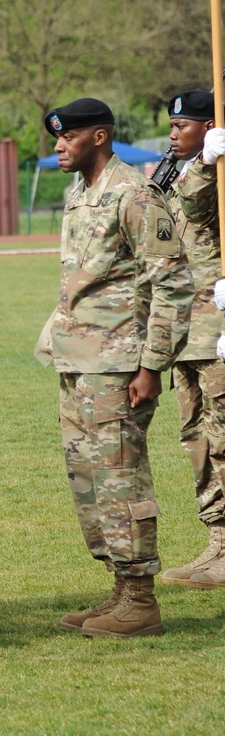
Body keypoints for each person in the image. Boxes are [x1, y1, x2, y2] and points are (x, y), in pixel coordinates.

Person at [40, 97, 194, 638]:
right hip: (79, 360)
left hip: (119, 364)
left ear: (99, 137)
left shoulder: (134, 195)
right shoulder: (80, 193)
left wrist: (152, 365)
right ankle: (118, 588)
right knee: (89, 479)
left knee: (121, 475)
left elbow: (173, 284)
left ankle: (141, 599)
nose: (59, 146)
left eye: (69, 137)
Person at [155, 92, 225, 588]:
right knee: (195, 436)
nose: (174, 133)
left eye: (185, 125)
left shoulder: (215, 171)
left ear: (210, 126)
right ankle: (218, 539)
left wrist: (208, 161)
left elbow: (202, 206)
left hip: (218, 326)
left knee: (224, 437)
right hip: (185, 330)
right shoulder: (177, 169)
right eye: (172, 125)